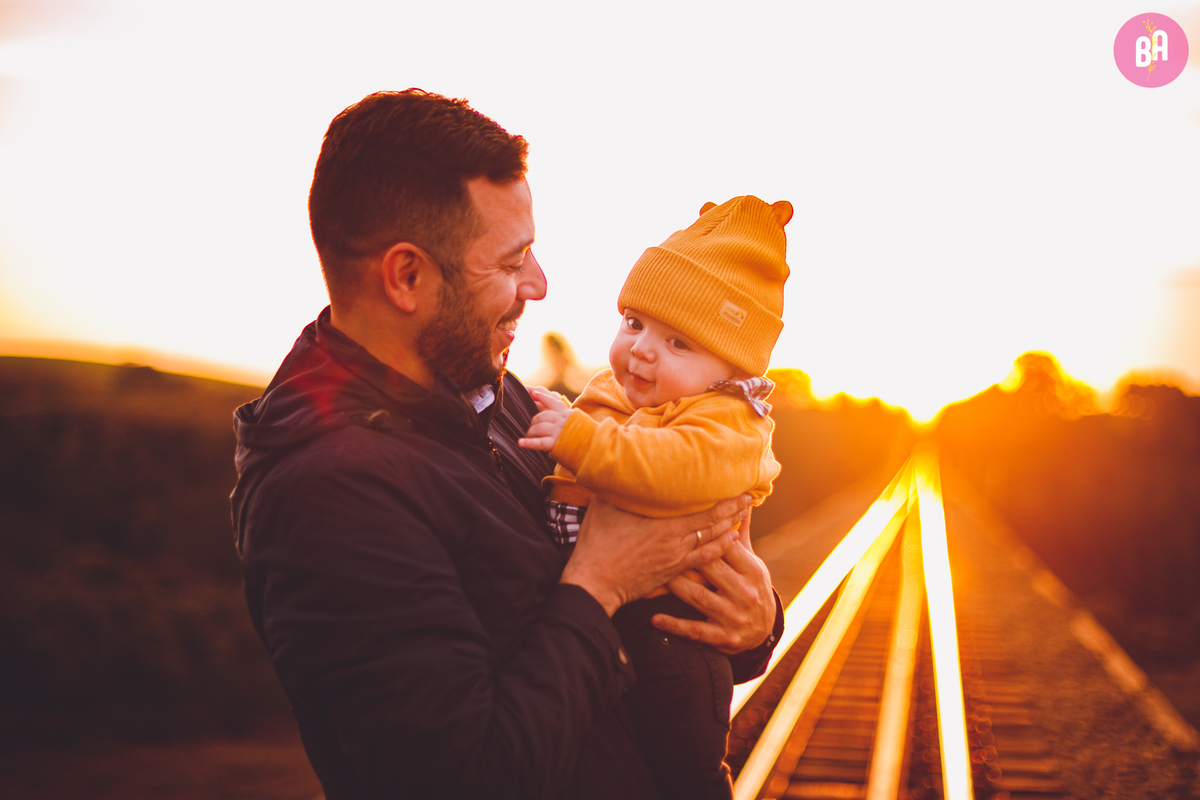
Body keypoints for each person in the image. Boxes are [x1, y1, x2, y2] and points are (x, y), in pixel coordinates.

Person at [230, 89, 783, 800]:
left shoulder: (496, 399)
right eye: (512, 260)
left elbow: (639, 646)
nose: (540, 284)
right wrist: (601, 583)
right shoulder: (330, 492)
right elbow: (462, 778)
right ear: (407, 277)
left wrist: (754, 620)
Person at [518, 196, 792, 800]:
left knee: (683, 768)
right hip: (602, 630)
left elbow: (673, 469)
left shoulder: (729, 423)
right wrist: (575, 426)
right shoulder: (617, 393)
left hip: (671, 630)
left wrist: (581, 441)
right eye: (634, 323)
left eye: (679, 343)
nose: (641, 349)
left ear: (729, 370)